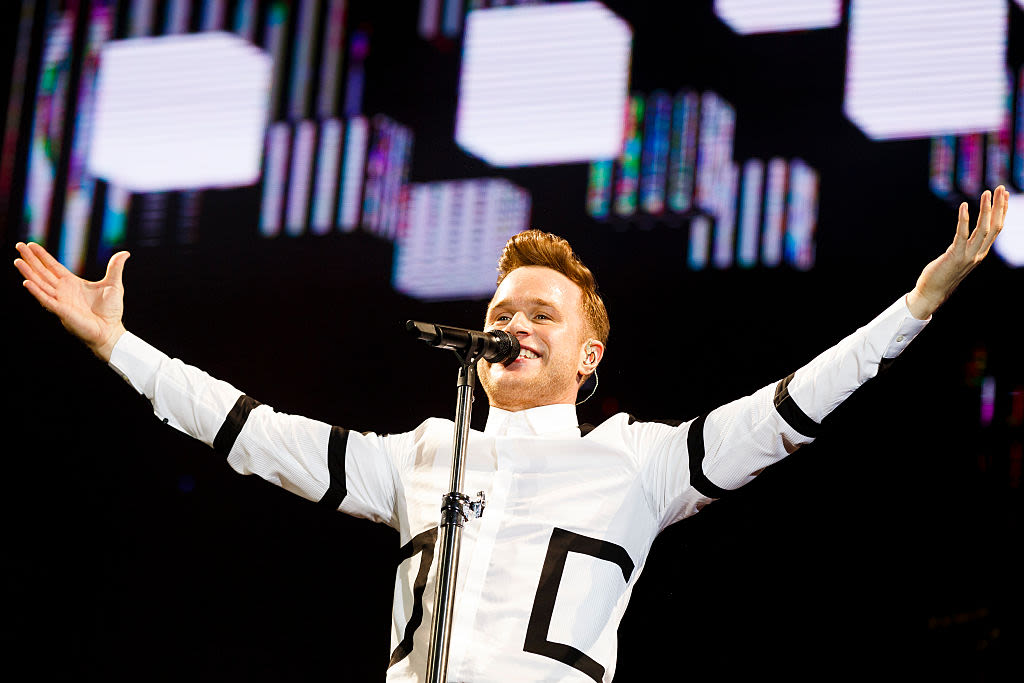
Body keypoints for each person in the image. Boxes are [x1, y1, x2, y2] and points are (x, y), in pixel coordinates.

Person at [13, 186, 1008, 682]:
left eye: (543, 312)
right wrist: (120, 345)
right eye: (504, 307)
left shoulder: (641, 460)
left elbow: (793, 403)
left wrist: (916, 305)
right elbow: (252, 432)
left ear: (585, 357)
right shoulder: (417, 456)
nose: (516, 323)